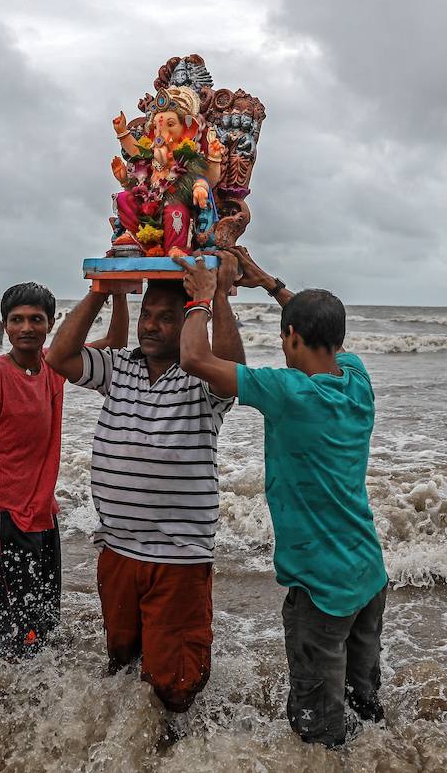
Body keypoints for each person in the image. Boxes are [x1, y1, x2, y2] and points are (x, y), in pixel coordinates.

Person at [177, 249, 389, 748]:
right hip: (368, 574)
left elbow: (194, 359)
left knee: (316, 722)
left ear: (291, 338)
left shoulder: (289, 391)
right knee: (364, 701)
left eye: (285, 338)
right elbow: (318, 329)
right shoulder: (357, 379)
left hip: (322, 588)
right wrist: (272, 285)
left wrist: (203, 299)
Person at [45, 273, 245, 716]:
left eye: (167, 318)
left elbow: (235, 375)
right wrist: (101, 290)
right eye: (147, 315)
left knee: (175, 685)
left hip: (177, 558)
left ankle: (174, 753)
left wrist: (214, 297)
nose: (151, 326)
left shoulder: (202, 376)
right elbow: (59, 357)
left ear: (191, 320)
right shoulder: (119, 366)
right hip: (116, 549)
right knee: (121, 663)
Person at [0, 284, 127, 658]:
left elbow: (115, 341)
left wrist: (117, 291)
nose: (26, 327)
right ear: (6, 324)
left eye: (35, 319)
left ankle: (33, 705)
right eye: (17, 320)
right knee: (9, 631)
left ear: (50, 324)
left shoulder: (54, 365)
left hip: (45, 519)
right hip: (7, 522)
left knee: (43, 625)